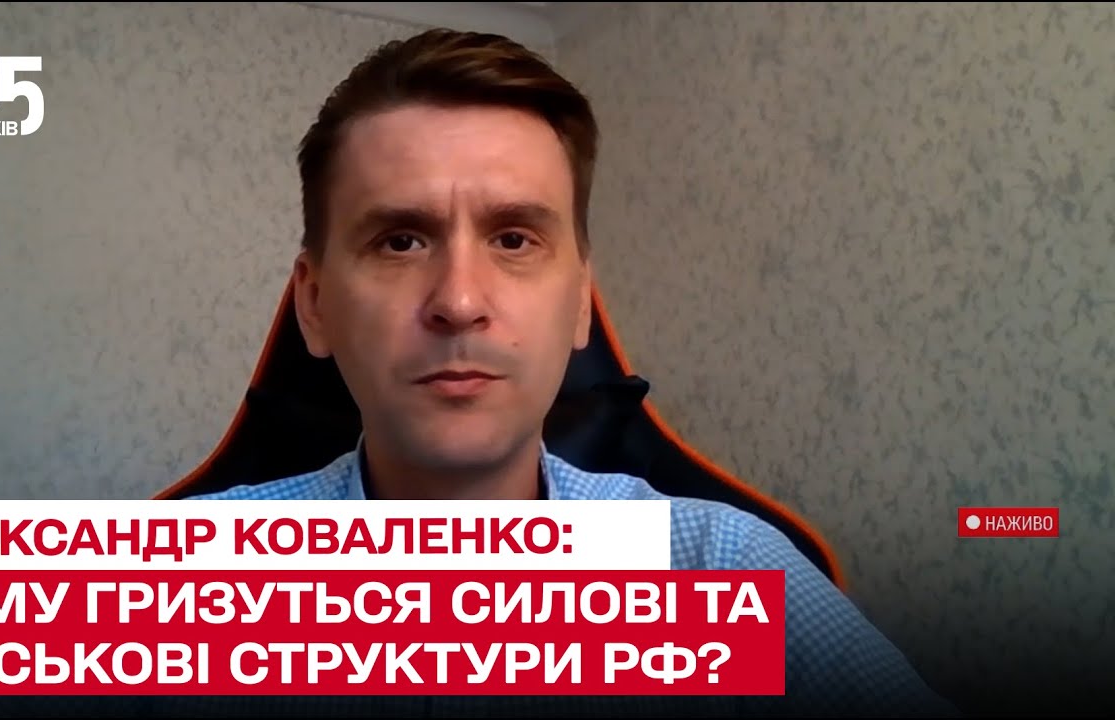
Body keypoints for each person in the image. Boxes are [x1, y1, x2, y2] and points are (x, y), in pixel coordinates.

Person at [193, 27, 958, 718]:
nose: (459, 302)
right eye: (401, 241)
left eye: (514, 239)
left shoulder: (724, 569)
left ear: (582, 303)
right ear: (315, 305)